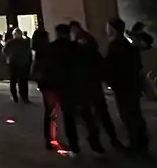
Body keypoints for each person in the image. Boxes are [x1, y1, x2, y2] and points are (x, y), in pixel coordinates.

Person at [48, 23, 104, 156]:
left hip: (64, 88)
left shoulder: (52, 49)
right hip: (79, 86)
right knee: (87, 117)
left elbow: (50, 70)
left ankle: (74, 146)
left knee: (69, 119)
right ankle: (95, 144)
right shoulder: (77, 48)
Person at [71, 21, 122, 149]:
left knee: (91, 115)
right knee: (100, 112)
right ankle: (111, 138)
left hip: (85, 85)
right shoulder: (92, 51)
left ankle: (97, 142)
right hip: (93, 84)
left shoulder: (78, 52)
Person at [105, 18, 149, 155]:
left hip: (123, 85)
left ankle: (136, 144)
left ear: (113, 29)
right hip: (132, 84)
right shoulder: (129, 45)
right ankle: (141, 142)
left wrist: (110, 82)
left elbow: (111, 66)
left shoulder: (115, 46)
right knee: (135, 114)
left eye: (108, 27)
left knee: (128, 115)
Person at [31, 26, 60, 149]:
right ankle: (49, 137)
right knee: (52, 111)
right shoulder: (47, 51)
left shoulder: (38, 52)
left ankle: (49, 137)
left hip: (44, 84)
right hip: (51, 82)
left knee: (49, 110)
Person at [4, 28, 32, 103]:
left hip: (13, 63)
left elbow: (4, 51)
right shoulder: (25, 42)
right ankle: (24, 97)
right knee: (23, 81)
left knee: (13, 81)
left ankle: (14, 97)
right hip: (24, 63)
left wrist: (9, 57)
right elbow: (29, 53)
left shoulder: (10, 42)